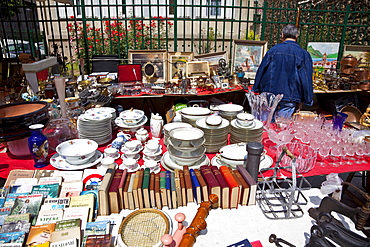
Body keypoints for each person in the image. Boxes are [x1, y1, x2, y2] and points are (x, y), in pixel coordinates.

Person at [252, 24, 314, 119]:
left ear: (282, 35)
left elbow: (261, 70)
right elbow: (306, 79)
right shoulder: (303, 54)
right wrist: (308, 100)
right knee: (281, 128)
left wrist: (256, 88)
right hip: (290, 96)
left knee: (265, 125)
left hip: (270, 94)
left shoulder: (273, 50)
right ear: (297, 36)